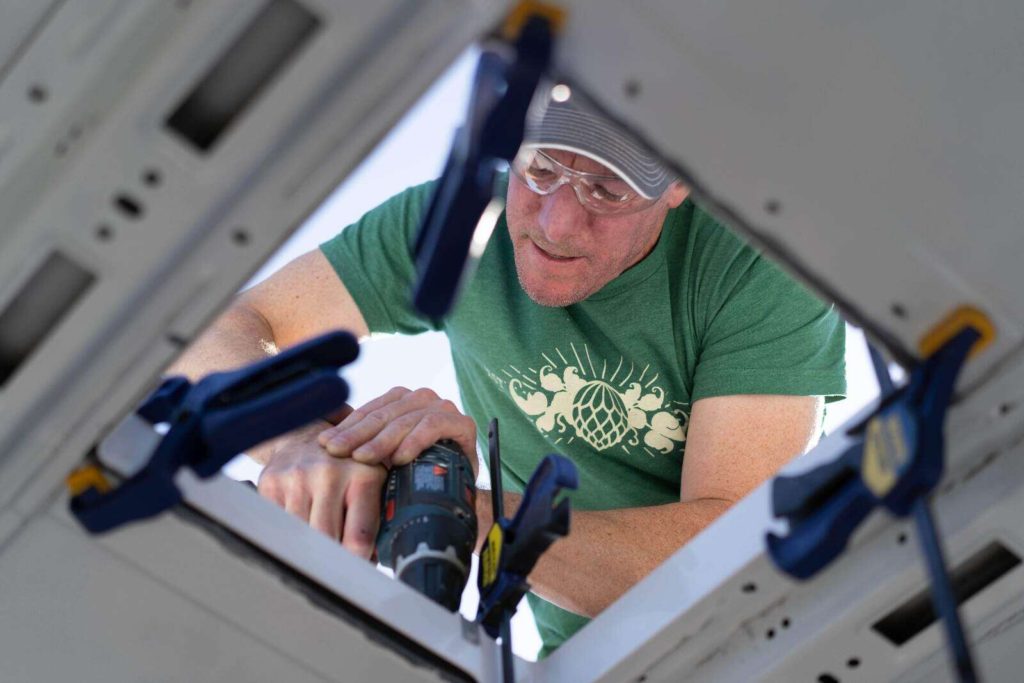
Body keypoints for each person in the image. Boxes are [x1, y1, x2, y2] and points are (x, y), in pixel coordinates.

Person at [171, 93, 845, 657]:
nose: (557, 221)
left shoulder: (757, 267)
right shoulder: (462, 221)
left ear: (676, 185)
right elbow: (216, 326)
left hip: (768, 648)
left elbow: (729, 555)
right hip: (584, 662)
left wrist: (454, 506)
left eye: (606, 190)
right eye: (541, 167)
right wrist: (298, 440)